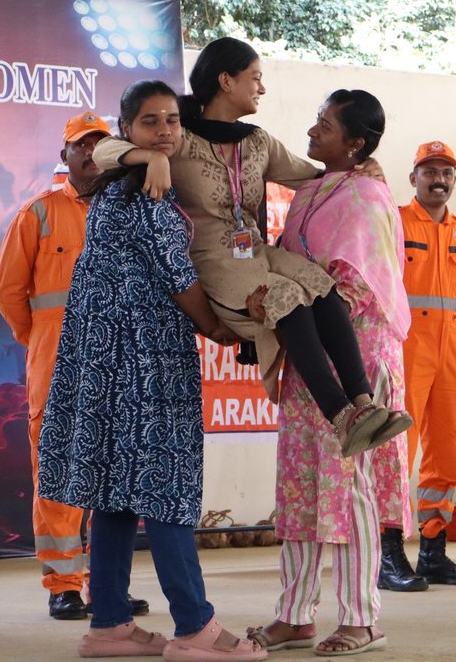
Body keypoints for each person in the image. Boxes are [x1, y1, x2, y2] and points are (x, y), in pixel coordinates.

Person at [92, 38, 410, 457]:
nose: (262, 88)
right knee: (287, 299)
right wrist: (149, 158)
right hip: (212, 259)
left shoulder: (258, 142)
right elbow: (102, 150)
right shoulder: (179, 137)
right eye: (255, 78)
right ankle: (340, 418)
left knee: (318, 284)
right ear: (226, 81)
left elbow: (314, 176)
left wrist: (363, 168)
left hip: (255, 250)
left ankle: (365, 406)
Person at [37, 79, 265, 661]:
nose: (164, 130)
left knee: (114, 492)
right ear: (127, 130)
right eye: (150, 122)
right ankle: (195, 629)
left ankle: (109, 624)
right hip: (146, 361)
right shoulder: (148, 195)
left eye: (171, 120)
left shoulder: (114, 189)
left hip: (100, 362)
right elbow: (181, 282)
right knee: (167, 489)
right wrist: (220, 329)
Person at [246, 89, 406, 656]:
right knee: (299, 483)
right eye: (315, 121)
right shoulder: (311, 189)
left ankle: (361, 618)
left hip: (357, 355)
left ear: (356, 143)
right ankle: (295, 614)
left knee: (351, 486)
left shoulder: (368, 196)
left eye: (325, 126)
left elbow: (355, 285)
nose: (313, 133)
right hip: (307, 361)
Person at [0, 112, 149, 621]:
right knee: (59, 473)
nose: (91, 153)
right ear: (65, 156)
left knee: (118, 478)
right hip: (57, 365)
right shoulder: (38, 214)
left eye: (101, 144)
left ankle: (108, 587)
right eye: (82, 145)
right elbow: (7, 292)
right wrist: (38, 337)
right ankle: (63, 584)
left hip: (121, 365)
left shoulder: (133, 211)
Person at [393, 140, 456, 589]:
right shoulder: (394, 222)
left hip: (452, 352)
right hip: (404, 349)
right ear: (413, 177)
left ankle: (434, 550)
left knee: (450, 453)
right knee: (397, 451)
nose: (439, 180)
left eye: (447, 173)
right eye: (430, 171)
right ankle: (390, 553)